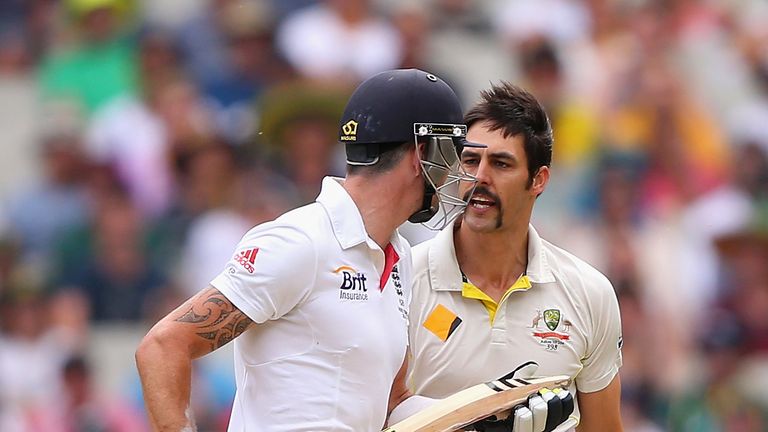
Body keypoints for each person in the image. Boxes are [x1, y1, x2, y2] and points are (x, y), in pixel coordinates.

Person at [135, 68, 479, 431]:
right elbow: (162, 346)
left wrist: (483, 414)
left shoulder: (400, 257)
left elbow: (392, 403)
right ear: (420, 153)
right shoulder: (299, 241)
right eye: (450, 152)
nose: (452, 172)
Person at [406, 82, 624, 431]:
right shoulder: (403, 280)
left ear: (538, 180)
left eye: (501, 163)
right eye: (471, 160)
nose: (480, 177)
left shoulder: (589, 293)